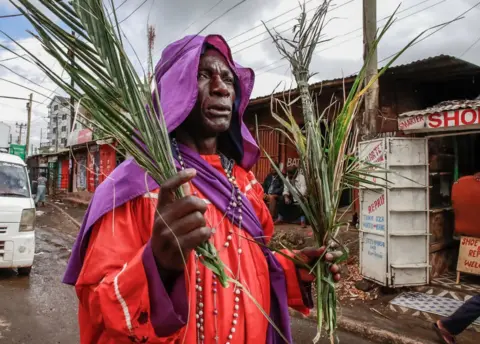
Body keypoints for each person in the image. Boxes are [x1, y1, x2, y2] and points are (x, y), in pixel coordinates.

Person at [63, 35, 341, 344]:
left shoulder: (243, 182)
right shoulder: (133, 186)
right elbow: (99, 302)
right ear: (174, 89)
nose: (221, 88)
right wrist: (158, 267)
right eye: (203, 75)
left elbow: (252, 265)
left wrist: (296, 267)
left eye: (227, 78)